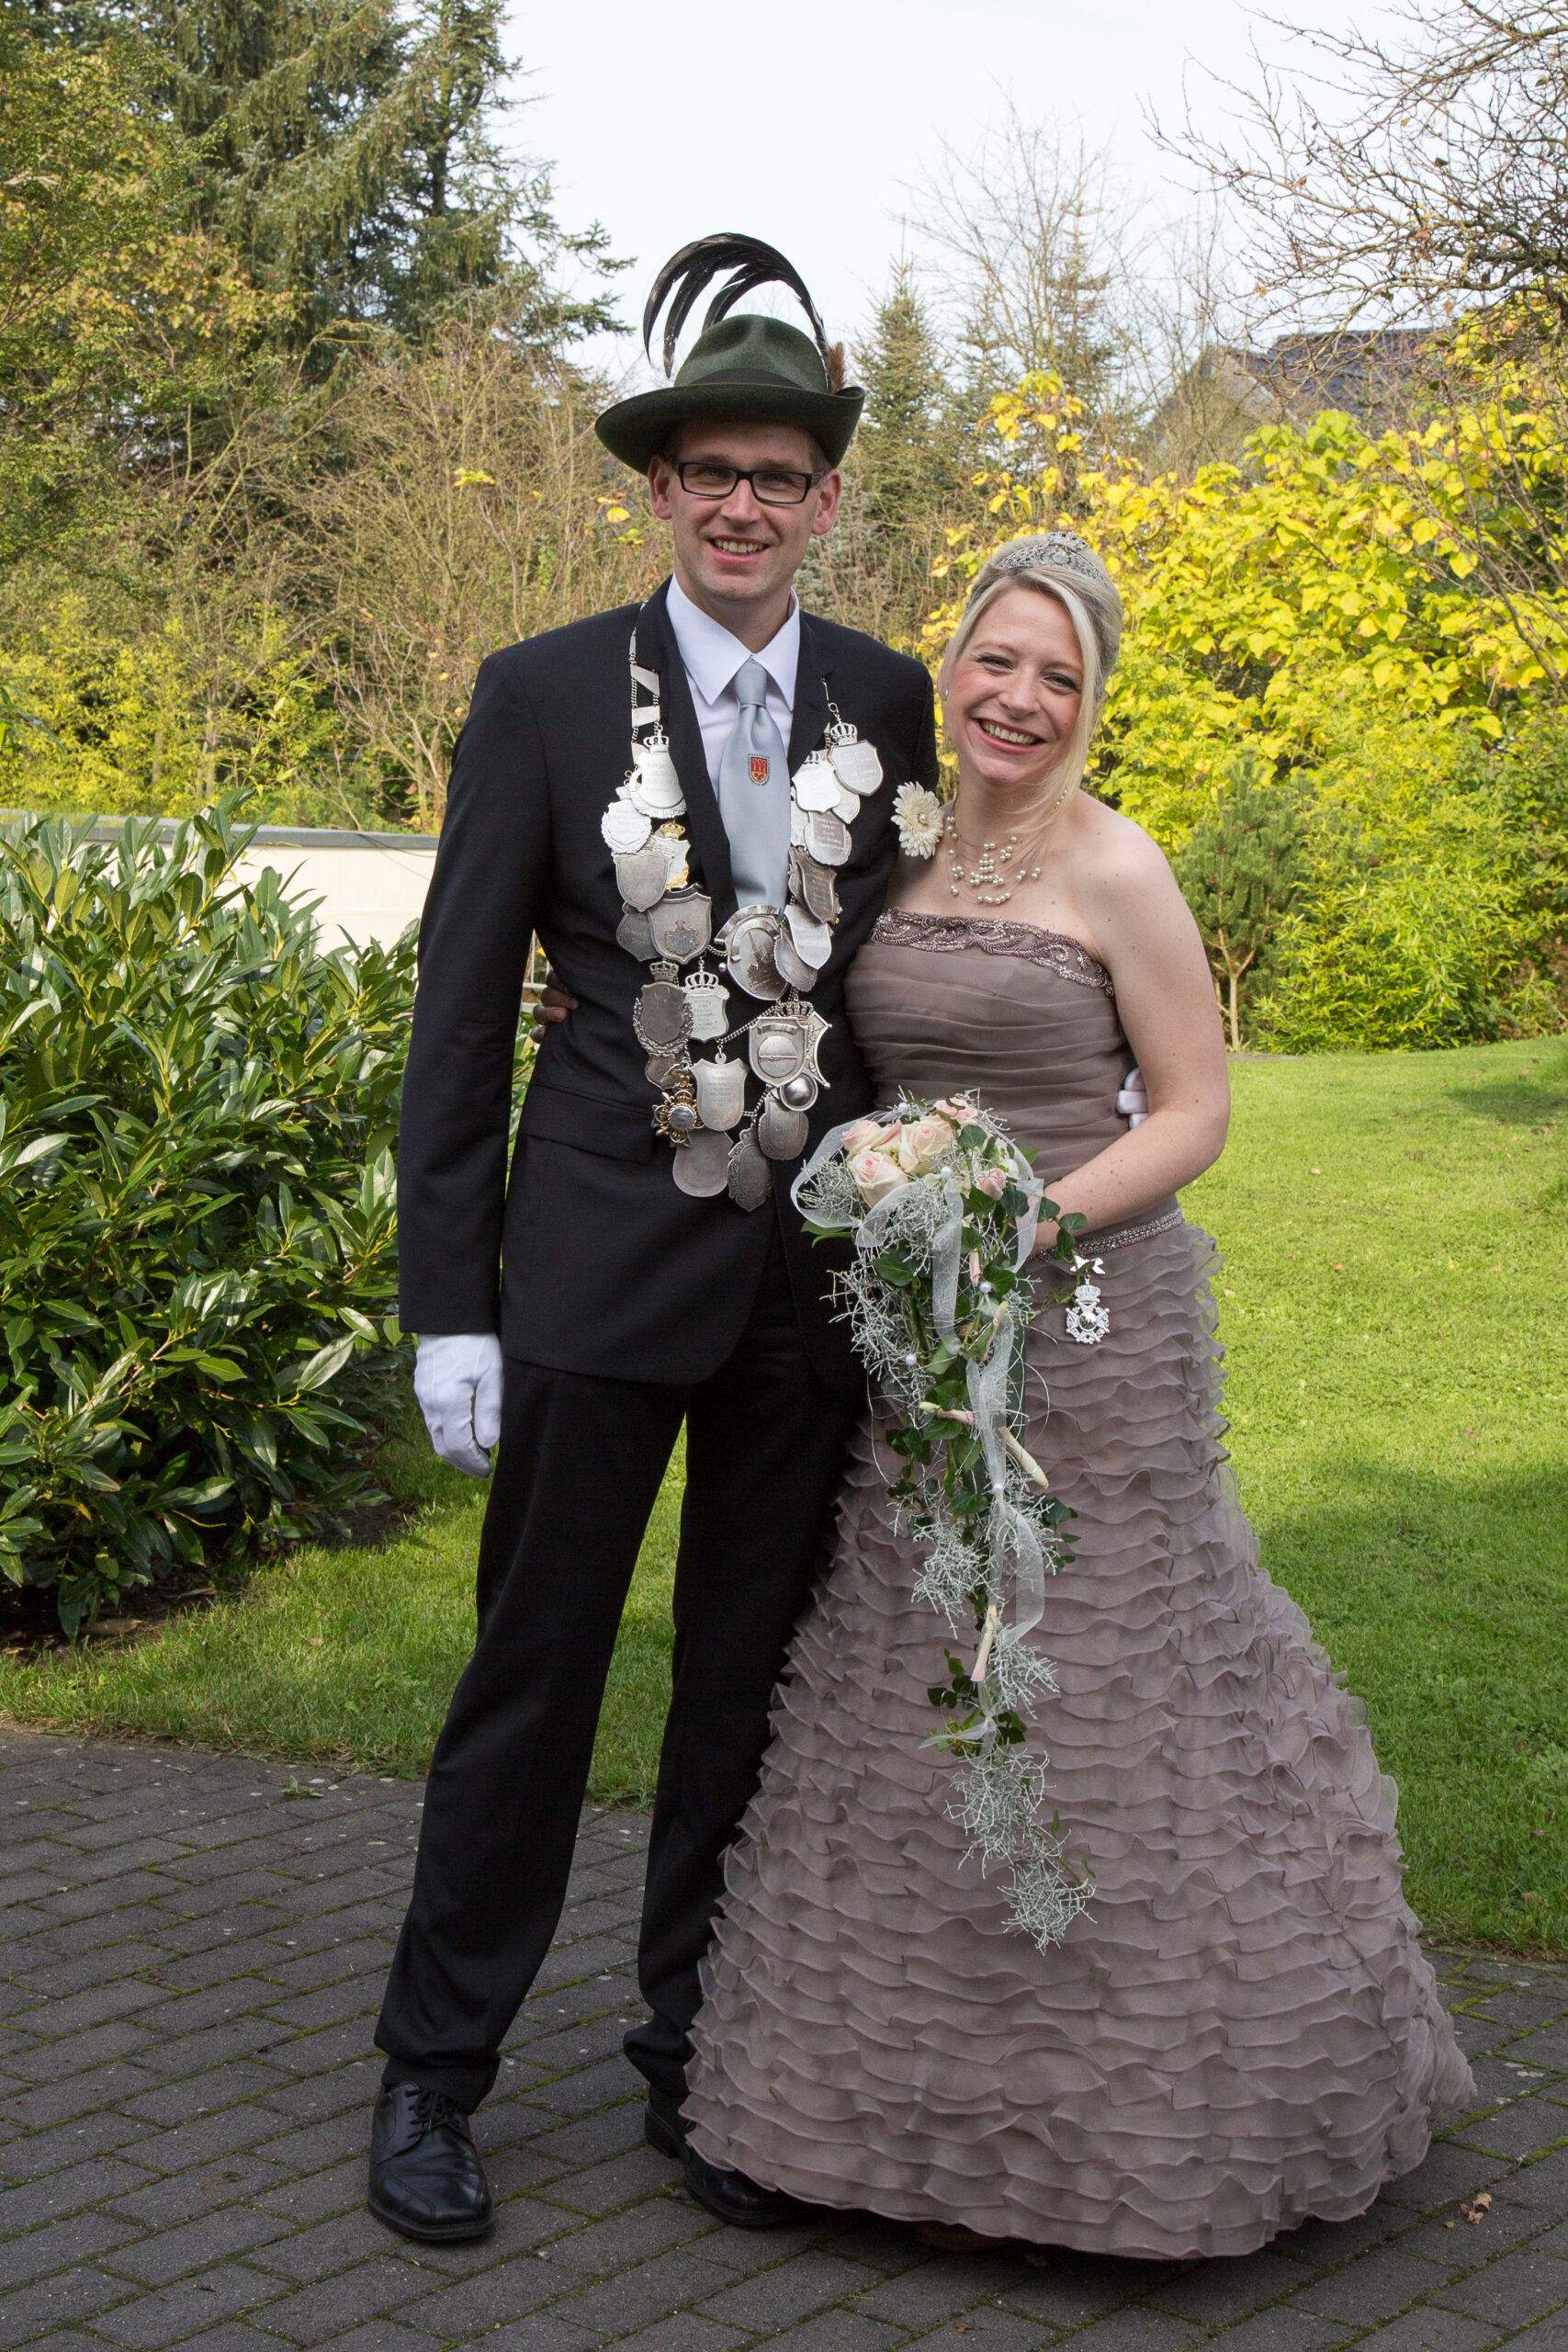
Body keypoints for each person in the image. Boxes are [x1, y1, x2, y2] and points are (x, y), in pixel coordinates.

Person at [679, 532, 1476, 2260]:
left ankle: (1152, 2134)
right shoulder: (894, 847)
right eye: (997, 660)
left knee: (1106, 1685)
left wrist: (1026, 1220)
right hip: (923, 1335)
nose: (1020, 697)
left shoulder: (1120, 868)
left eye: (1060, 676)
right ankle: (879, 2128)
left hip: (1094, 1333)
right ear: (950, 664)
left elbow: (1193, 1112)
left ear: (1093, 701)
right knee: (916, 1672)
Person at [368, 236, 942, 2243]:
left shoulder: (888, 697)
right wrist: (450, 1304)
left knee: (740, 1698)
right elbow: (460, 1014)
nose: (741, 505)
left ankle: (700, 2060)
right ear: (657, 489)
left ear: (825, 499)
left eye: (777, 476)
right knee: (530, 1685)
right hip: (594, 1275)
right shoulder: (538, 695)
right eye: (709, 472)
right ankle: (432, 2074)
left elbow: (908, 975)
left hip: (807, 1298)